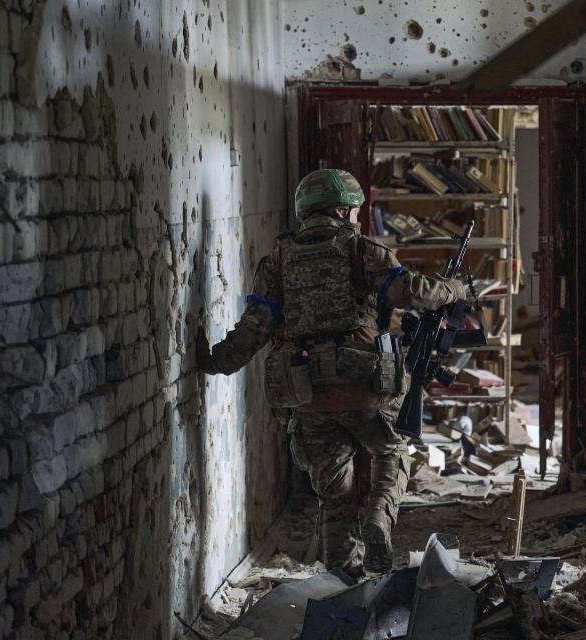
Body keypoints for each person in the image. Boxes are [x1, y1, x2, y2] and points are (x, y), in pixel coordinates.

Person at [195, 168, 467, 576]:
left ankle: (344, 582)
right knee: (391, 450)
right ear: (341, 211)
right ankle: (378, 517)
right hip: (364, 386)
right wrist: (454, 289)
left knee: (334, 496)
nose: (356, 219)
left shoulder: (277, 262)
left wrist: (213, 361)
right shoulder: (363, 251)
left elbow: (254, 330)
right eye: (354, 212)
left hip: (308, 392)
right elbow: (410, 293)